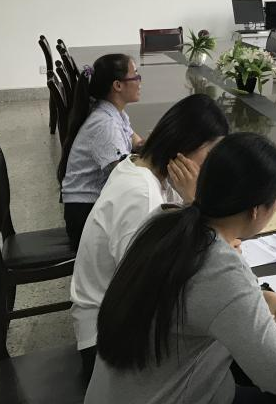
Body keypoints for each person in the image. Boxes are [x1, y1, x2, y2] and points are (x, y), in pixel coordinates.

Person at [88, 133, 276, 403]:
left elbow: (194, 297)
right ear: (256, 210)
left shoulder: (164, 220)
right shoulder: (219, 265)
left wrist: (262, 297)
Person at [71, 94, 230, 378]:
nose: (210, 166)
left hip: (117, 319)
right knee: (224, 342)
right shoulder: (141, 195)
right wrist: (196, 204)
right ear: (184, 146)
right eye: (210, 154)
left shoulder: (141, 166)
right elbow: (156, 286)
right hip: (107, 343)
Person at [60, 53, 144, 245]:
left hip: (90, 206)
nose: (140, 82)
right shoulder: (105, 124)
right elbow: (124, 175)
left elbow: (138, 143)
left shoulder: (114, 112)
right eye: (136, 76)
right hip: (84, 216)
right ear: (118, 85)